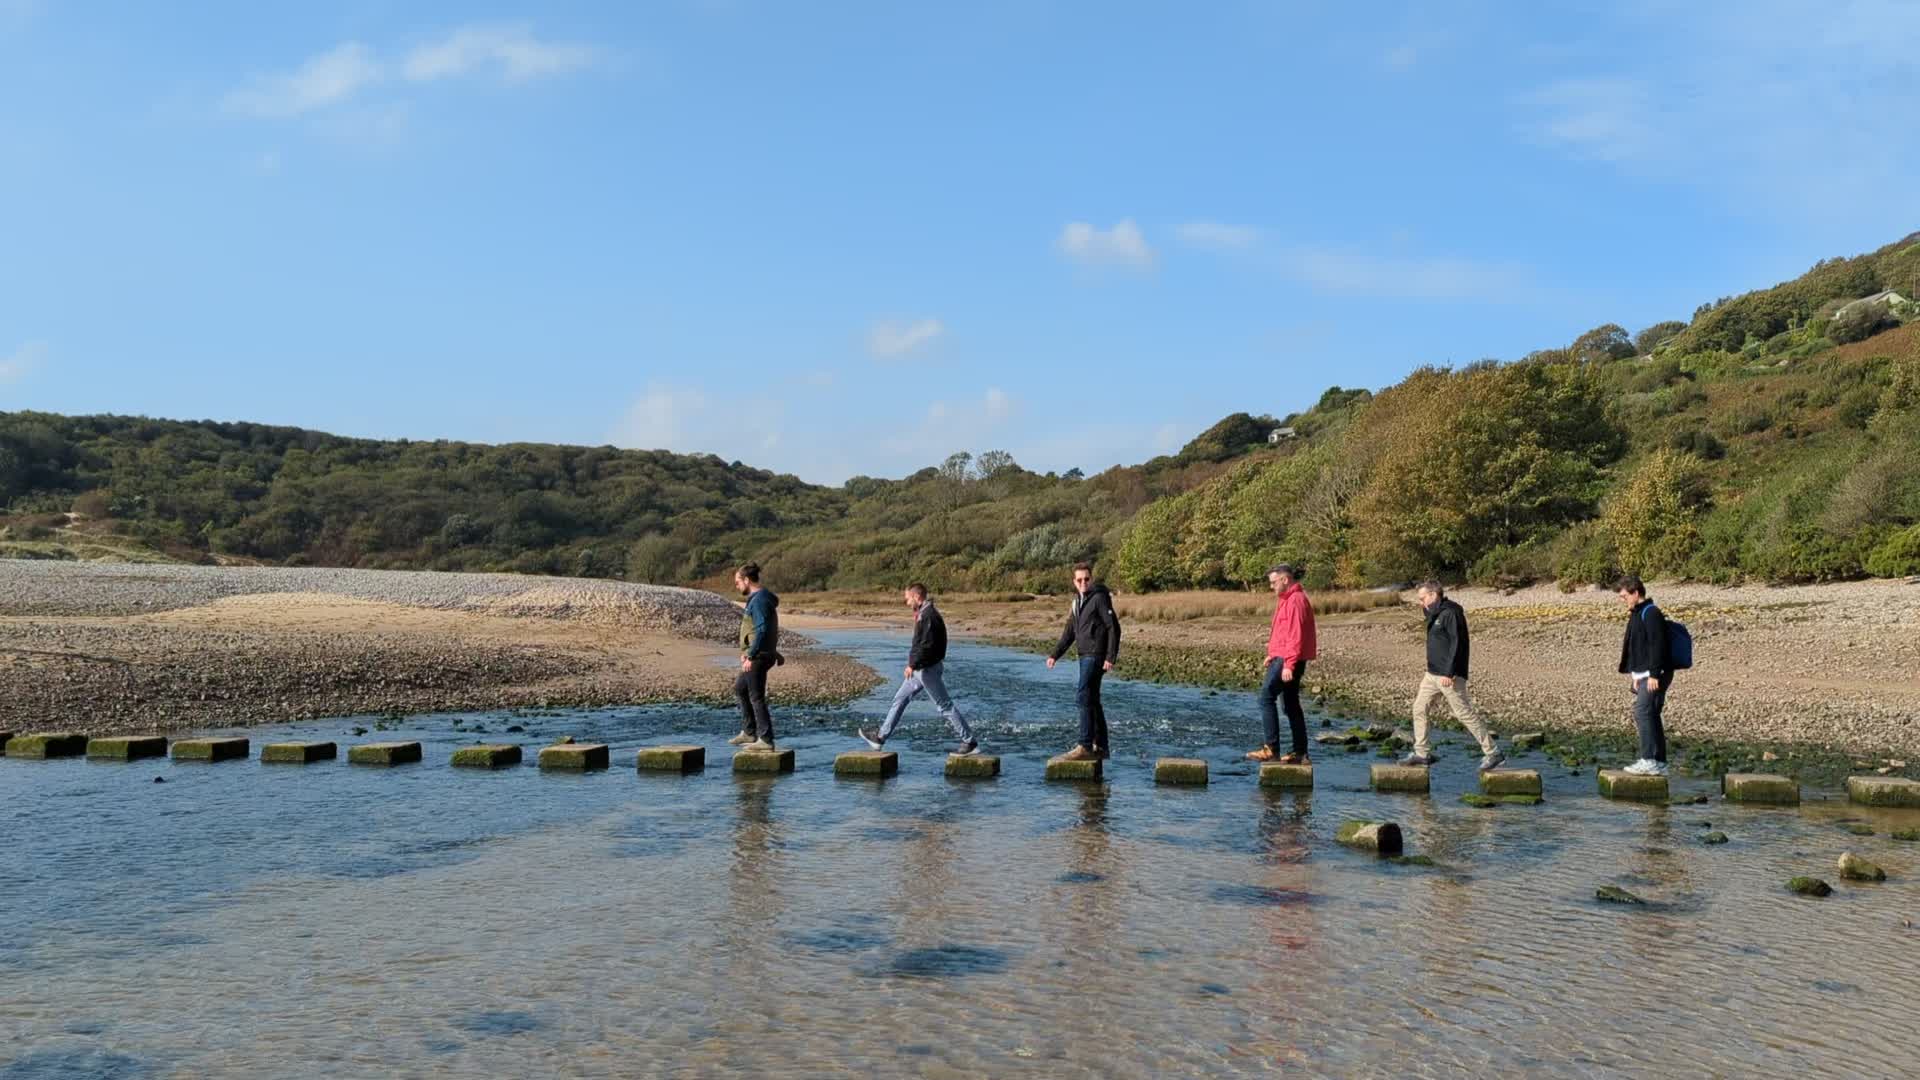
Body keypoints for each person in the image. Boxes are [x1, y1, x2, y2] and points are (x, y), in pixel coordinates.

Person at [858, 583, 980, 754]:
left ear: (916, 596)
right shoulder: (924, 613)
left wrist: (912, 665)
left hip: (926, 669)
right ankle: (880, 738)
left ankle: (970, 742)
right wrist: (914, 666)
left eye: (907, 598)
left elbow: (926, 645)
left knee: (944, 706)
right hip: (921, 669)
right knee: (900, 699)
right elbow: (920, 645)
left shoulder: (928, 615)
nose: (906, 602)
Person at [1399, 580, 1504, 771]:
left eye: (1422, 598)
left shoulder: (1451, 613)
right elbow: (1429, 616)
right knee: (1419, 708)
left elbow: (1458, 644)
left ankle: (1493, 753)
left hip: (1448, 675)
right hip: (1431, 674)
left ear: (1433, 595)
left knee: (1464, 713)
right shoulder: (1434, 612)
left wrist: (1451, 672)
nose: (1421, 602)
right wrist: (1424, 606)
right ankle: (1422, 753)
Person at [1046, 562, 1120, 761]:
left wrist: (1110, 657)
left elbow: (1113, 627)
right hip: (1083, 655)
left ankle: (1085, 744)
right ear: (1074, 582)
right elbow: (1069, 633)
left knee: (1082, 695)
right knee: (1092, 699)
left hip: (1095, 655)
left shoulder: (1099, 599)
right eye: (1079, 580)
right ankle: (1101, 747)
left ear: (1091, 579)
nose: (1083, 583)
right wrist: (1055, 655)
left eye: (1086, 579)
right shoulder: (1077, 602)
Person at [1245, 564, 1316, 764]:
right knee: (1291, 704)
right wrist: (1272, 654)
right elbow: (1283, 632)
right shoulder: (1288, 599)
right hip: (1285, 656)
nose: (1271, 587)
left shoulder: (1295, 601)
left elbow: (1295, 636)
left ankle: (1271, 749)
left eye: (1273, 582)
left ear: (1285, 580)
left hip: (1289, 658)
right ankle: (1300, 754)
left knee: (1266, 698)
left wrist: (1288, 664)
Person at [1615, 574, 1672, 776]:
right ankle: (1660, 762)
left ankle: (1649, 759)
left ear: (1635, 593)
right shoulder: (1636, 613)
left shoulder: (1651, 613)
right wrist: (1635, 675)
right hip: (1644, 674)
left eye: (1624, 596)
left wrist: (1655, 675)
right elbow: (1636, 648)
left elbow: (1658, 646)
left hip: (1656, 674)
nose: (1622, 600)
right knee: (1651, 714)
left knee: (1642, 712)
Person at [728, 563, 781, 751]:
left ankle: (765, 739)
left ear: (746, 580)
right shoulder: (761, 598)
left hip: (758, 656)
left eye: (737, 582)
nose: (736, 586)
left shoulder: (759, 600)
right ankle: (749, 732)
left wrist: (751, 655)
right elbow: (767, 628)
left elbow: (763, 629)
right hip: (760, 654)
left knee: (756, 697)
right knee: (740, 689)